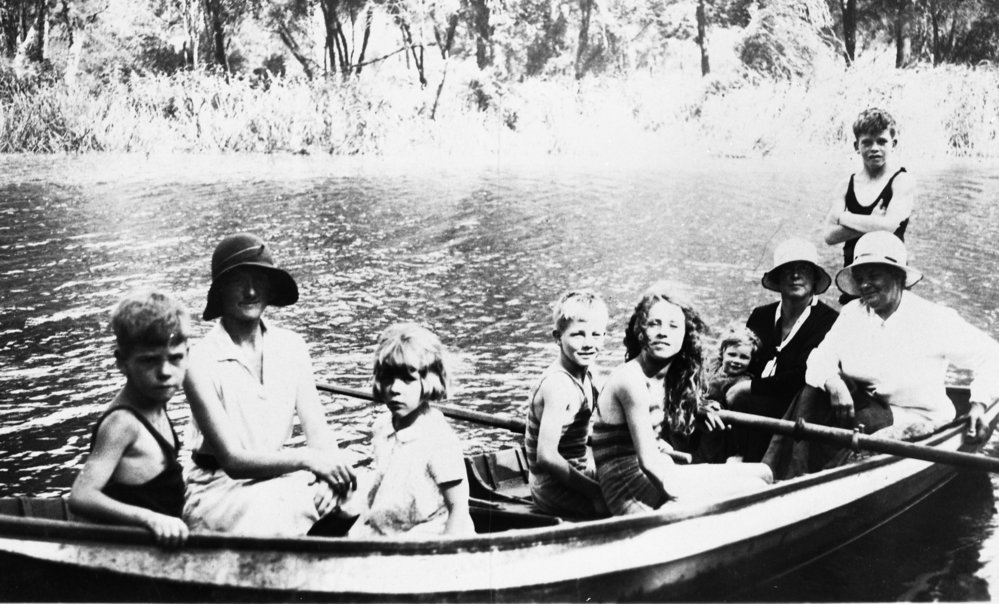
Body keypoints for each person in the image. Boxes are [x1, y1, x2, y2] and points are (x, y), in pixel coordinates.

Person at [763, 232, 999, 480]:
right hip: (869, 409)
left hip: (916, 415)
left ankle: (819, 480)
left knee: (859, 431)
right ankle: (780, 471)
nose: (865, 285)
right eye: (860, 278)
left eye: (874, 275)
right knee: (811, 392)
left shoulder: (934, 319)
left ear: (898, 276)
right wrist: (834, 384)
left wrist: (978, 405)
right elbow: (819, 358)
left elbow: (992, 356)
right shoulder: (853, 313)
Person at [183, 232, 356, 536]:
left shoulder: (292, 346)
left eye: (259, 280)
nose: (251, 291)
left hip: (274, 478)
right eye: (239, 281)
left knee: (357, 490)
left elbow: (319, 435)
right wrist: (308, 461)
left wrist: (328, 479)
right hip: (220, 489)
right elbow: (233, 461)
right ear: (221, 290)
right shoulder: (198, 361)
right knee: (282, 507)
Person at [590, 284, 773, 516]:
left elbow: (662, 426)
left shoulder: (665, 377)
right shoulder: (630, 380)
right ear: (640, 331)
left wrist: (700, 409)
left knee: (764, 472)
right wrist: (689, 496)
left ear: (686, 335)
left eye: (673, 325)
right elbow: (648, 464)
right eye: (654, 323)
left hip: (658, 476)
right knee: (755, 488)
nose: (663, 332)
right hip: (631, 492)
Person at [69, 290, 191, 547]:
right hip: (127, 551)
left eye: (176, 358)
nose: (165, 372)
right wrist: (151, 519)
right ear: (122, 362)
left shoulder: (155, 402)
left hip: (157, 544)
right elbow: (81, 496)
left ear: (187, 354)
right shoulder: (123, 423)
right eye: (149, 361)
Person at [348, 323, 475, 537]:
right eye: (388, 378)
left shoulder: (438, 437)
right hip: (388, 529)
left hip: (428, 537)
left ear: (428, 382)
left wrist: (445, 552)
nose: (395, 389)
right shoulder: (382, 427)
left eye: (407, 379)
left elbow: (458, 509)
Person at [724, 238, 839, 463]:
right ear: (778, 278)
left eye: (803, 269)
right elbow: (746, 358)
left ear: (814, 279)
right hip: (750, 402)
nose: (796, 275)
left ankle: (751, 465)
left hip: (797, 407)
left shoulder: (828, 320)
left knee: (745, 401)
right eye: (788, 270)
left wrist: (748, 387)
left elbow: (804, 373)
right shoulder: (761, 316)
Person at [523, 290, 608, 518]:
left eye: (596, 335)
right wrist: (595, 492)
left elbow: (612, 418)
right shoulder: (558, 386)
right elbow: (547, 457)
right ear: (557, 337)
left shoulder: (591, 374)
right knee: (626, 500)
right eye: (578, 335)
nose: (589, 344)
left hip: (577, 468)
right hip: (551, 486)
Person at [823, 107, 916, 304]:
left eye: (882, 141)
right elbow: (829, 236)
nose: (874, 148)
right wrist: (872, 222)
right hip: (856, 276)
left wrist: (843, 218)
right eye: (867, 142)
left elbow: (889, 226)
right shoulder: (845, 186)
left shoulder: (902, 181)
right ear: (857, 146)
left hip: (890, 277)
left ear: (894, 143)